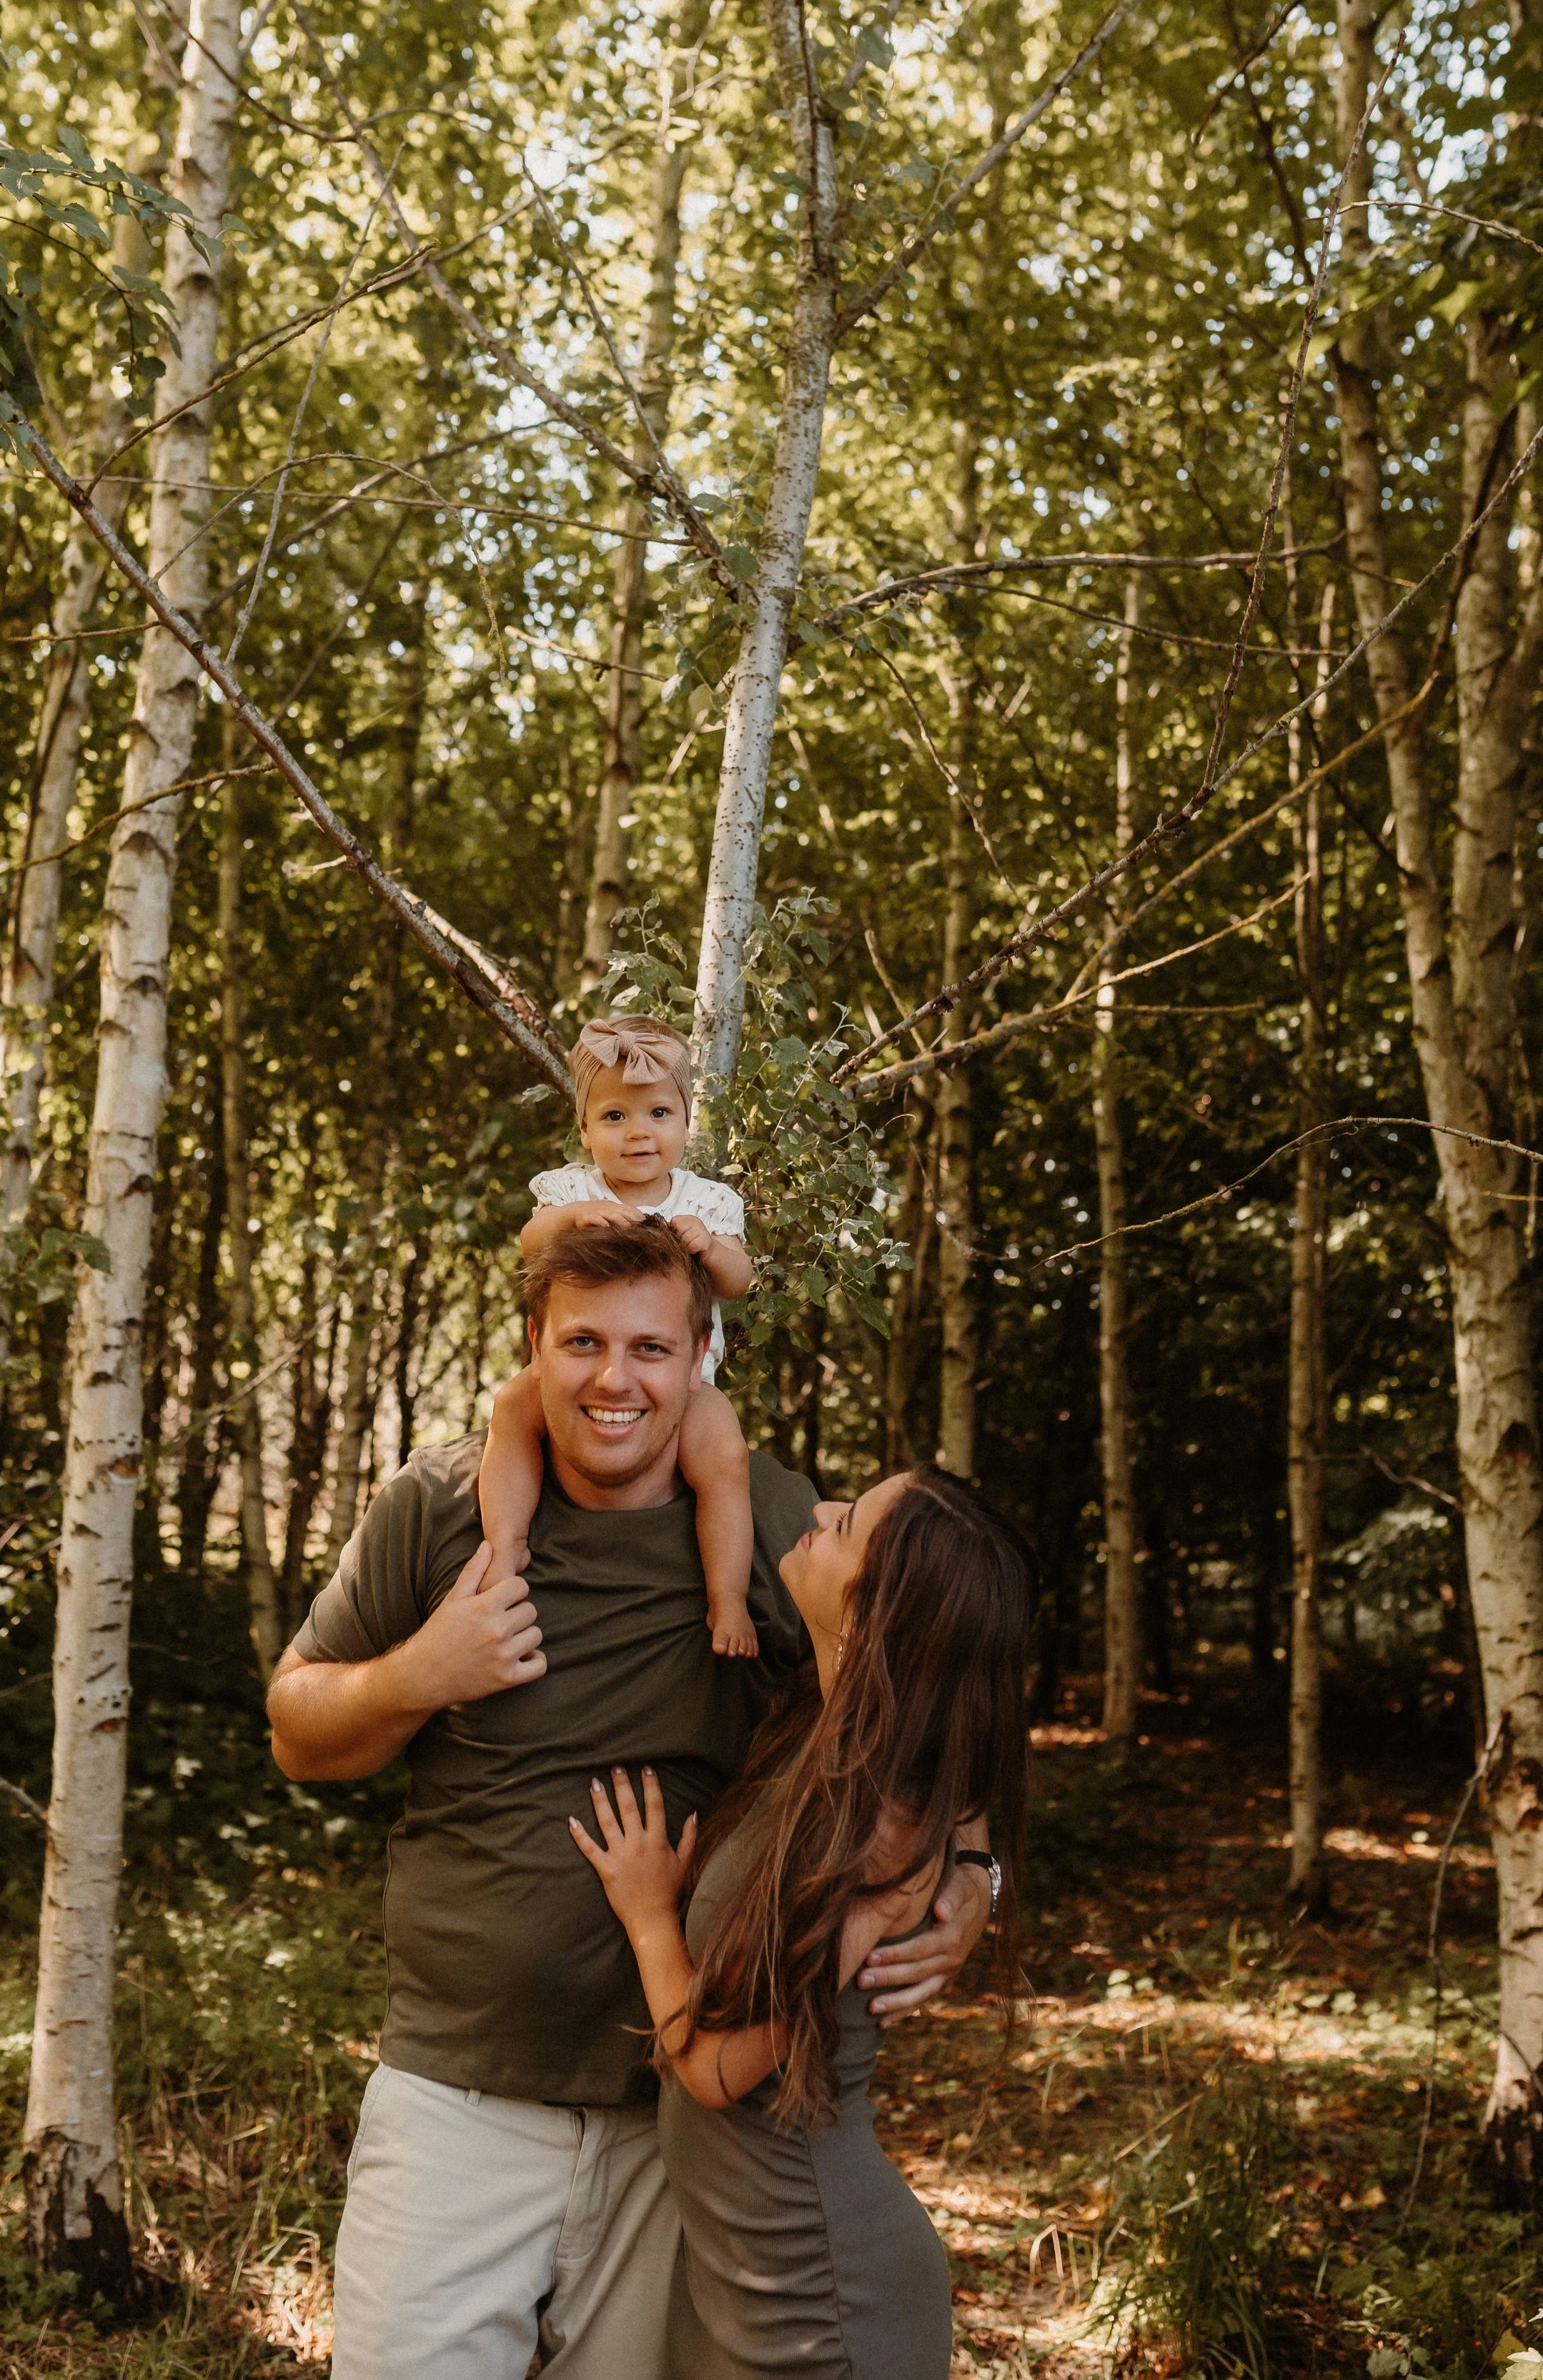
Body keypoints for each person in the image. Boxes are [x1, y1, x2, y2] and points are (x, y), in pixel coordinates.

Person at [266, 1213, 996, 2380]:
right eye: (584, 1343)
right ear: (532, 1344)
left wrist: (971, 1874)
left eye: (652, 1350)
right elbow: (296, 1731)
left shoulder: (771, 1524)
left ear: (698, 1358)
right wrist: (421, 1673)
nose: (617, 1380)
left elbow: (908, 1705)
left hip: (672, 2140)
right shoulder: (441, 1501)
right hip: (460, 2098)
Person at [572, 1465, 1034, 2379]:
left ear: (870, 1616)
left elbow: (712, 2070)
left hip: (821, 2298)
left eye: (848, 1522)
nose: (819, 1511)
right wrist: (980, 1875)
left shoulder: (869, 1847)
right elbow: (962, 1751)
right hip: (749, 2271)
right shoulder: (850, 1746)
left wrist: (648, 1912)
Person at [478, 1012, 760, 1655]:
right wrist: (573, 1217)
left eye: (659, 1114)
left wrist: (710, 1247)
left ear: (686, 1122)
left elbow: (739, 1281)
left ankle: (728, 1600)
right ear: (584, 1127)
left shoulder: (707, 1201)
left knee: (724, 1460)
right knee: (512, 1409)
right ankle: (505, 1541)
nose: (638, 1134)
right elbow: (529, 1243)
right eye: (614, 1118)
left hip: (684, 1381)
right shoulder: (571, 1190)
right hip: (577, 1366)